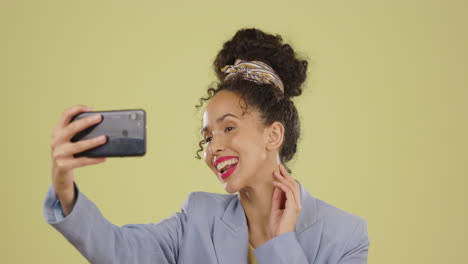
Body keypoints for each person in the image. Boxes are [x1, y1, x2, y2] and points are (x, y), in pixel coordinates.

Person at [44, 28, 369, 264]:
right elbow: (117, 250)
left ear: (273, 135)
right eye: (208, 136)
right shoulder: (197, 217)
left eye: (228, 127)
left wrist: (282, 243)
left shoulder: (345, 236)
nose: (214, 147)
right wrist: (64, 187)